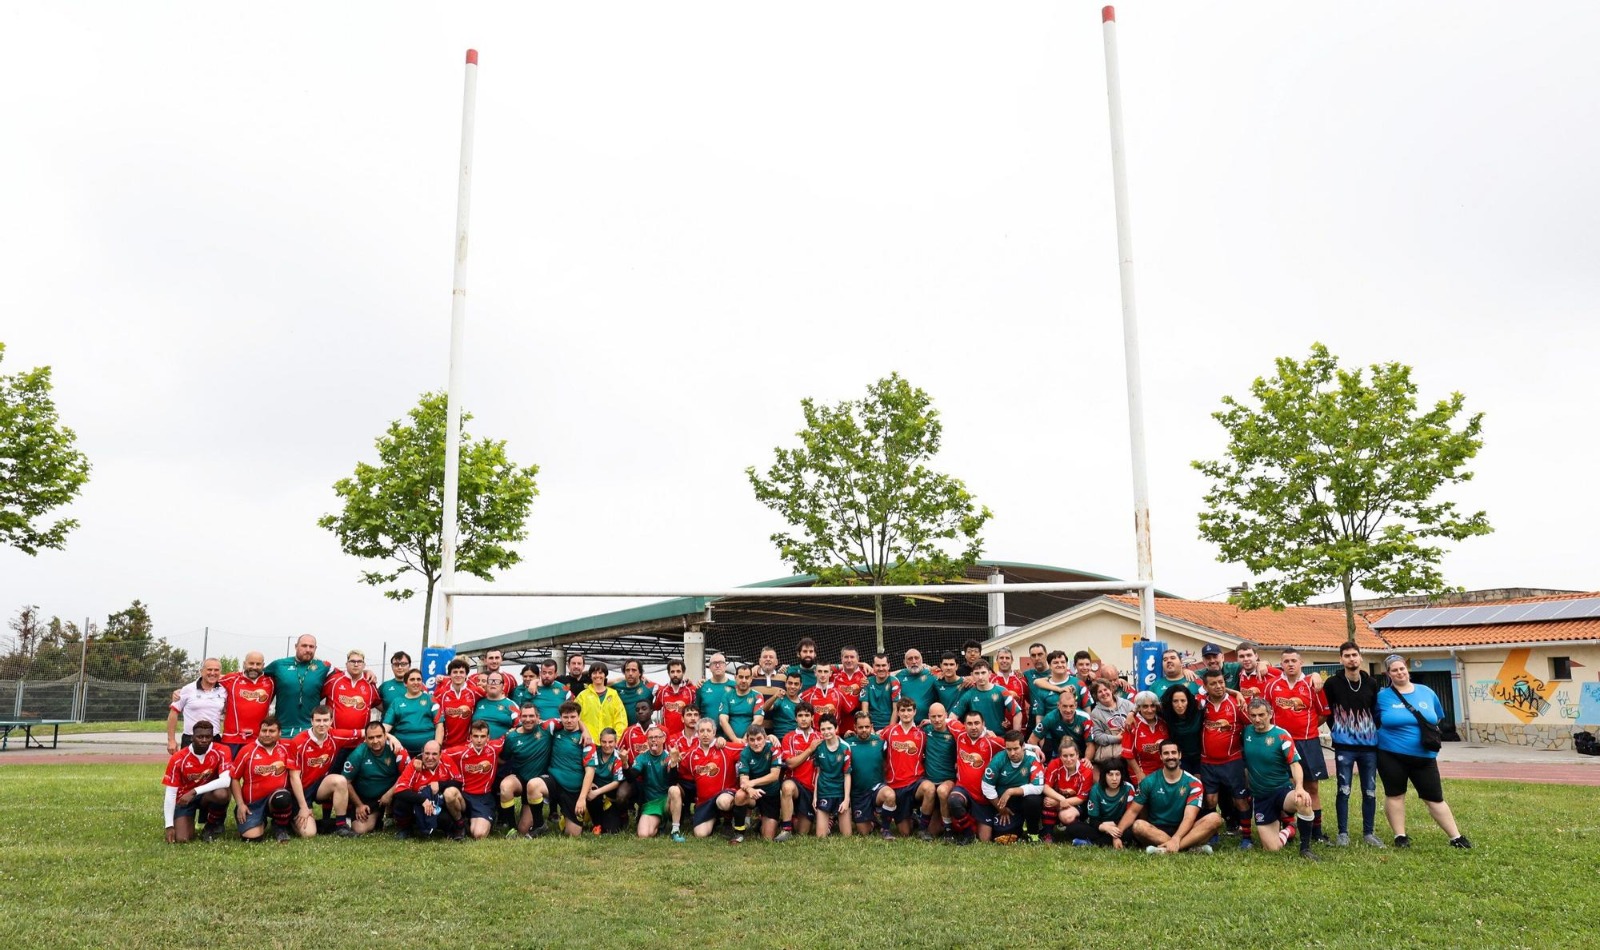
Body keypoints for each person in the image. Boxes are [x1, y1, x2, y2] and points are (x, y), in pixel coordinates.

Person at [1376, 654, 1471, 849]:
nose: (1399, 673)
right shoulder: (1382, 697)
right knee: (1395, 794)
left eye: (1402, 668)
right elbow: (1375, 720)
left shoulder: (1426, 692)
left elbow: (1437, 718)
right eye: (1394, 670)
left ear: (1407, 669)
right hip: (1390, 754)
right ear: (1388, 674)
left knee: (1434, 797)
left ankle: (1456, 837)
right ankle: (1400, 836)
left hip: (1425, 756)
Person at [1264, 648, 1331, 842]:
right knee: (1283, 786)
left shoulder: (1312, 684)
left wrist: (1307, 728)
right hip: (1280, 744)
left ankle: (1316, 833)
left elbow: (1323, 713)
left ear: (1301, 662)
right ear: (1281, 664)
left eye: (1294, 660)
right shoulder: (1271, 686)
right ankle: (1289, 827)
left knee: (1312, 788)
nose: (1290, 664)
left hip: (1308, 742)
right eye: (1286, 661)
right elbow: (1265, 713)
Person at [1325, 640, 1384, 847]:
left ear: (1361, 657)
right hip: (1344, 747)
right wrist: (1340, 729)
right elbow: (1328, 711)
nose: (1351, 659)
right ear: (1341, 659)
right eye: (1347, 656)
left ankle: (1369, 833)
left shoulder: (1371, 683)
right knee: (1344, 790)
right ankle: (1343, 833)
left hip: (1369, 747)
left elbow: (1376, 711)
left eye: (1354, 655)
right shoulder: (1332, 683)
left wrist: (1368, 730)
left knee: (1370, 791)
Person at [1241, 698, 1317, 859]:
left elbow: (1295, 764)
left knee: (1303, 800)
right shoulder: (1246, 732)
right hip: (1261, 797)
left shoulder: (1281, 735)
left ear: (1270, 714)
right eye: (1253, 715)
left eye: (1261, 715)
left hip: (1281, 791)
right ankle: (1290, 829)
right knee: (1272, 848)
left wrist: (1299, 787)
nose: (1257, 719)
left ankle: (1305, 849)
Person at [1121, 739, 1221, 854]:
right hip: (1157, 830)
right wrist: (1117, 835)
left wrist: (1176, 838)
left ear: (1180, 755)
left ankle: (1167, 849)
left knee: (1215, 818)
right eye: (1166, 753)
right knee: (1138, 825)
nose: (1170, 756)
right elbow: (1133, 811)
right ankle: (1186, 848)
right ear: (1161, 757)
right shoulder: (1148, 781)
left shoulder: (1194, 783)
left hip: (1184, 829)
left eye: (1173, 753)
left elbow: (1189, 817)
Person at [1196, 668, 1253, 847]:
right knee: (1210, 800)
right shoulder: (1201, 704)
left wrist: (1236, 693)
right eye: (1213, 684)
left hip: (1232, 761)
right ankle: (1212, 834)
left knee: (1240, 800)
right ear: (1206, 686)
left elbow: (1253, 724)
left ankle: (1247, 837)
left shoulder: (1237, 704)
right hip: (1207, 762)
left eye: (1221, 682)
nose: (1218, 686)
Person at [286, 704, 358, 837]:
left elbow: (364, 733)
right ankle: (291, 820)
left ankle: (341, 825)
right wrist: (303, 807)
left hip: (319, 786)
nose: (322, 724)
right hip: (300, 790)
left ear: (331, 721)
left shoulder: (335, 736)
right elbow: (294, 777)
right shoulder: (298, 742)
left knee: (340, 780)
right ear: (312, 721)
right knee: (309, 833)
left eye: (325, 720)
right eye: (318, 720)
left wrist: (390, 737)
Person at [161, 720, 232, 843]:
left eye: (208, 737)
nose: (204, 740)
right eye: (200, 737)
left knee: (222, 793)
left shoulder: (222, 750)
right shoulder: (178, 758)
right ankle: (188, 821)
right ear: (192, 737)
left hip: (206, 795)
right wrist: (169, 825)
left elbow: (225, 781)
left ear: (212, 737)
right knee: (182, 839)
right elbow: (171, 792)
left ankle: (211, 826)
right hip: (185, 799)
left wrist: (194, 791)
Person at [230, 715, 296, 842]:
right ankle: (259, 821)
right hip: (252, 805)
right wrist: (240, 804)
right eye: (264, 730)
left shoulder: (286, 748)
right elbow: (234, 778)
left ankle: (280, 827)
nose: (267, 734)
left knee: (283, 797)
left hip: (276, 799)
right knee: (252, 839)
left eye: (272, 731)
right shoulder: (246, 750)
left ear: (279, 733)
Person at [498, 703, 557, 838]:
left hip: (537, 784)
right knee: (505, 786)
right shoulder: (512, 737)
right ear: (520, 717)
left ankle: (539, 823)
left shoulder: (546, 729)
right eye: (524, 716)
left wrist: (585, 731)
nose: (528, 719)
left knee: (524, 829)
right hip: (520, 780)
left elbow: (571, 719)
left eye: (531, 716)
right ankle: (511, 828)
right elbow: (503, 759)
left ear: (538, 717)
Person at [947, 710, 1005, 844]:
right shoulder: (960, 735)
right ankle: (968, 835)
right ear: (964, 725)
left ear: (983, 724)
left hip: (983, 798)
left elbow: (1016, 745)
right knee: (954, 800)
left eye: (977, 723)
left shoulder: (992, 742)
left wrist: (1034, 749)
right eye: (970, 724)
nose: (973, 727)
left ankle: (973, 823)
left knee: (985, 839)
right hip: (963, 790)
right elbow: (947, 721)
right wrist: (929, 721)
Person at [389, 740, 464, 839]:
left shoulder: (446, 760)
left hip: (437, 805)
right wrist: (422, 800)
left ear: (440, 755)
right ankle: (405, 828)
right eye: (427, 753)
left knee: (445, 819)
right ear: (422, 754)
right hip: (419, 805)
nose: (430, 757)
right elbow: (400, 790)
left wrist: (440, 784)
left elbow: (458, 782)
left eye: (434, 754)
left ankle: (453, 827)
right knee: (400, 802)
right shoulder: (414, 764)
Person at [343, 721, 408, 835]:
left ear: (385, 736)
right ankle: (378, 815)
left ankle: (395, 818)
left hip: (392, 794)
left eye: (379, 736)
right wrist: (359, 805)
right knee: (359, 829)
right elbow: (346, 782)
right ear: (366, 739)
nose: (375, 741)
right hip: (367, 799)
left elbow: (407, 775)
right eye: (371, 738)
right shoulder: (358, 754)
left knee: (405, 794)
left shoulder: (396, 749)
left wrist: (390, 794)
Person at [980, 730, 1046, 843]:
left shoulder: (1033, 758)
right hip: (1004, 803)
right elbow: (986, 786)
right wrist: (1000, 808)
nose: (1012, 753)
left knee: (1033, 801)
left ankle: (1033, 833)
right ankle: (1017, 826)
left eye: (1016, 749)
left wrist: (1011, 791)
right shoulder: (998, 760)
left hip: (1025, 799)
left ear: (1023, 747)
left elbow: (1038, 787)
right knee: (1003, 837)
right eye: (1009, 749)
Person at [880, 698, 933, 838]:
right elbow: (872, 739)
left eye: (909, 710)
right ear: (897, 712)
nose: (906, 713)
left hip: (915, 783)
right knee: (905, 832)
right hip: (896, 786)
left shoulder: (922, 734)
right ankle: (912, 817)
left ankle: (923, 829)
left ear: (915, 712)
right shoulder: (889, 731)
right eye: (902, 710)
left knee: (929, 788)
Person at [444, 720, 506, 839]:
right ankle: (460, 823)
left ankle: (473, 821)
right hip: (464, 797)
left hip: (483, 798)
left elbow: (507, 736)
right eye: (476, 736)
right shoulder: (461, 751)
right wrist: (419, 759)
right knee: (449, 793)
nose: (479, 740)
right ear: (470, 737)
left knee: (478, 834)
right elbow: (438, 754)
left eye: (482, 736)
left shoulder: (494, 748)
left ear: (488, 738)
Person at [264, 635, 336, 737]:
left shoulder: (323, 666)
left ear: (315, 648)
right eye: (304, 646)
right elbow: (256, 675)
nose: (308, 650)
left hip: (312, 729)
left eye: (311, 647)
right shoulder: (279, 665)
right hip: (283, 728)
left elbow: (346, 675)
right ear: (296, 646)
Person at [682, 716, 741, 839]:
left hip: (725, 795)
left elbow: (749, 748)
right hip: (704, 802)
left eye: (709, 731)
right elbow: (679, 771)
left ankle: (728, 821)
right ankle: (715, 819)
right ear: (697, 734)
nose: (705, 734)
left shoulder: (726, 748)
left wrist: (769, 739)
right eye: (702, 731)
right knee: (700, 834)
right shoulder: (691, 755)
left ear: (714, 733)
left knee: (723, 802)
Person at [547, 701, 596, 837]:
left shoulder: (587, 741)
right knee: (534, 786)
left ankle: (567, 815)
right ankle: (539, 824)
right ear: (560, 718)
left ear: (579, 717)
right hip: (553, 781)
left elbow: (590, 771)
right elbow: (534, 722)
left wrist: (582, 798)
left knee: (573, 834)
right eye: (566, 717)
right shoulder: (554, 730)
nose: (569, 720)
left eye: (573, 717)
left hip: (572, 789)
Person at [844, 711, 894, 838]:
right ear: (855, 727)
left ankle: (885, 829)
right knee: (864, 832)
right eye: (860, 727)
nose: (864, 730)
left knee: (890, 795)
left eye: (867, 726)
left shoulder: (880, 741)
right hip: (858, 794)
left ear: (871, 726)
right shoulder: (847, 743)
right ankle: (874, 819)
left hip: (877, 789)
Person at [775, 703, 821, 841]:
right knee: (787, 787)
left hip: (812, 788)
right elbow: (790, 764)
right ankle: (786, 829)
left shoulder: (820, 737)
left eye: (807, 715)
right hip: (795, 784)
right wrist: (810, 750)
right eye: (800, 715)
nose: (803, 719)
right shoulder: (789, 737)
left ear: (812, 717)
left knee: (802, 832)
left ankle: (794, 815)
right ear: (795, 718)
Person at [218, 651, 274, 758]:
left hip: (259, 739)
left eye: (258, 664)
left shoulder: (271, 682)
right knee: (230, 768)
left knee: (255, 768)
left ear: (263, 665)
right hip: (232, 739)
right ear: (244, 664)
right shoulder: (231, 679)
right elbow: (208, 680)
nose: (254, 667)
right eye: (251, 663)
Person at [322, 651, 380, 750]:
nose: (356, 664)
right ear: (346, 664)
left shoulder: (370, 684)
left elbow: (380, 705)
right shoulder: (334, 680)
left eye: (359, 662)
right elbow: (315, 698)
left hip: (360, 742)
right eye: (352, 661)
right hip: (335, 741)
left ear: (364, 665)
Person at [1041, 738, 1095, 843]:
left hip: (1075, 804)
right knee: (1047, 801)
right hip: (1057, 799)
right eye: (1065, 756)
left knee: (1067, 817)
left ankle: (1076, 833)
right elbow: (1046, 787)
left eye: (1072, 755)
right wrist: (1061, 799)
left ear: (1077, 755)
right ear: (1060, 756)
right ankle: (1048, 833)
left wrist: (1058, 802)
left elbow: (1081, 798)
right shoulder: (1054, 764)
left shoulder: (1086, 771)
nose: (1069, 759)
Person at [168, 658, 226, 755]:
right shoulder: (188, 689)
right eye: (209, 669)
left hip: (214, 739)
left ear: (220, 672)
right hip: (190, 739)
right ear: (201, 671)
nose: (212, 673)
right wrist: (171, 740)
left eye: (216, 670)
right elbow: (173, 713)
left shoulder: (224, 690)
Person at [734, 725, 784, 840]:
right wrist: (750, 789)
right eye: (752, 740)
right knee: (740, 795)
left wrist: (752, 783)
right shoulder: (745, 753)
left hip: (771, 794)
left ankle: (761, 821)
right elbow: (743, 780)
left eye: (759, 739)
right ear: (748, 740)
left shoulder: (774, 749)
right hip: (754, 794)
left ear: (765, 738)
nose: (756, 743)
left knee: (768, 837)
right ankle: (739, 832)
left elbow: (774, 776)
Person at [577, 727, 629, 835]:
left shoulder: (618, 757)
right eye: (604, 742)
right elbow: (584, 769)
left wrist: (597, 792)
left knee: (611, 830)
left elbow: (616, 782)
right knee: (589, 790)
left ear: (615, 742)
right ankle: (596, 823)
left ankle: (621, 816)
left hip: (610, 796)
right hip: (594, 792)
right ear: (600, 741)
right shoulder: (594, 752)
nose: (607, 745)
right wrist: (590, 784)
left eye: (610, 742)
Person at [809, 715, 854, 838]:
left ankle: (834, 818)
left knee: (847, 835)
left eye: (829, 728)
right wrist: (815, 796)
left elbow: (847, 775)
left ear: (836, 728)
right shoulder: (819, 747)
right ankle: (829, 819)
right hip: (824, 790)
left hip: (840, 791)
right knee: (821, 836)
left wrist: (846, 799)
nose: (826, 732)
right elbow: (818, 773)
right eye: (823, 729)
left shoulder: (845, 747)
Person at [951, 661, 1023, 735]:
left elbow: (1018, 713)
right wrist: (964, 733)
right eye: (977, 673)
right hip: (978, 738)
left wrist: (1015, 737)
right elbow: (952, 717)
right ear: (972, 675)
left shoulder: (1002, 691)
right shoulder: (969, 694)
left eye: (983, 673)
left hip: (998, 738)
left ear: (990, 673)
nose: (980, 677)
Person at [630, 726, 677, 839]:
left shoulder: (670, 756)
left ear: (663, 739)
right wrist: (625, 765)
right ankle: (660, 823)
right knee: (643, 834)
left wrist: (674, 764)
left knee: (675, 790)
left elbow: (673, 781)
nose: (653, 740)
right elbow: (631, 777)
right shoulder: (642, 757)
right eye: (650, 738)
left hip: (667, 800)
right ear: (647, 740)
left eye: (657, 737)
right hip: (652, 803)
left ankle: (676, 829)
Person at [383, 668, 443, 756]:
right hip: (402, 752)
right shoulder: (397, 702)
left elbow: (439, 726)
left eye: (419, 679)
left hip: (427, 754)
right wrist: (390, 737)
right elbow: (384, 728)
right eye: (412, 679)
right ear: (405, 683)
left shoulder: (431, 699)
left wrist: (437, 749)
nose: (416, 682)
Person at [1080, 757, 1133, 848]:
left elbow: (1129, 817)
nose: (1114, 778)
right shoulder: (1096, 789)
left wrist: (1114, 830)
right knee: (1073, 828)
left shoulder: (1128, 788)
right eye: (1110, 775)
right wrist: (1105, 828)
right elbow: (1093, 820)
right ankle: (1106, 841)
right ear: (1104, 775)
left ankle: (1091, 843)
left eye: (1117, 774)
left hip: (1120, 825)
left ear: (1122, 775)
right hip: (1101, 825)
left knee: (1129, 833)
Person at [1120, 691, 1169, 785]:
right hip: (1142, 772)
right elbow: (1127, 754)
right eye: (1145, 706)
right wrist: (1139, 773)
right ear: (1139, 708)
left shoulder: (1163, 722)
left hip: (1164, 771)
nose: (1150, 710)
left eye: (1152, 706)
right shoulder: (1132, 724)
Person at [1030, 691, 1092, 763]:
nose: (1068, 710)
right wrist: (1039, 759)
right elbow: (1032, 740)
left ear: (1076, 705)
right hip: (1059, 757)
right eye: (1064, 706)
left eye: (1071, 706)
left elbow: (1090, 744)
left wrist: (1086, 759)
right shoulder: (1050, 718)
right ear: (1058, 705)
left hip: (1081, 756)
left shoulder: (1085, 718)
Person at [1086, 678, 1135, 768]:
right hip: (1113, 758)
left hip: (1132, 749)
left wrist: (1132, 714)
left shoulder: (1126, 704)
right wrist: (1116, 738)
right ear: (1096, 696)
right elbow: (1097, 737)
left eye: (1105, 689)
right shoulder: (1095, 713)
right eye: (1100, 692)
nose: (1104, 693)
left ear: (1111, 690)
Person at [433, 658, 480, 750]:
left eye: (461, 672)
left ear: (466, 675)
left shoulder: (475, 692)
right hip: (446, 745)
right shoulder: (441, 694)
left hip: (467, 745)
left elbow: (490, 696)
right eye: (455, 672)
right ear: (449, 675)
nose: (458, 675)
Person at [576, 662, 629, 742]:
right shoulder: (582, 696)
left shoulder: (613, 695)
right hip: (588, 742)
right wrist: (584, 732)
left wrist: (616, 740)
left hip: (609, 743)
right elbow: (575, 717)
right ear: (590, 676)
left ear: (605, 675)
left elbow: (621, 720)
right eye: (594, 673)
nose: (597, 675)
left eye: (600, 673)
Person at [1159, 683, 1204, 776]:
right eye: (1175, 701)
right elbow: (1145, 704)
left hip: (1200, 756)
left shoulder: (1198, 711)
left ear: (1188, 701)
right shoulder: (1166, 714)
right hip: (1180, 758)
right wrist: (1132, 712)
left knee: (1197, 781)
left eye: (1183, 701)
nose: (1179, 705)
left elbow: (1214, 693)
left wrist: (1235, 693)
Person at [718, 664, 766, 741]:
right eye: (741, 677)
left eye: (747, 677)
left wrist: (746, 738)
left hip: (751, 742)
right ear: (735, 677)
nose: (744, 680)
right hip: (729, 742)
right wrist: (735, 739)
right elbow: (722, 720)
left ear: (751, 679)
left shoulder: (758, 696)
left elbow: (758, 720)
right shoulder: (727, 696)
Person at [654, 659, 698, 737]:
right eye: (672, 672)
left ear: (683, 672)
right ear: (668, 673)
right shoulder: (662, 691)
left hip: (686, 737)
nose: (675, 674)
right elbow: (654, 707)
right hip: (668, 737)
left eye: (678, 671)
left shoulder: (691, 690)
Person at [472, 672, 520, 739]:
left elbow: (521, 725)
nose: (493, 683)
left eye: (497, 681)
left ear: (503, 686)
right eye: (490, 681)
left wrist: (512, 733)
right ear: (486, 684)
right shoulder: (478, 702)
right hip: (479, 744)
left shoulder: (512, 705)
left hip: (503, 744)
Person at [894, 648, 938, 720]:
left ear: (922, 660)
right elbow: (883, 674)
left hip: (927, 723)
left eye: (916, 658)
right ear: (904, 662)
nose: (914, 662)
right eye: (910, 659)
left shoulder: (932, 675)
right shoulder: (898, 677)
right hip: (905, 722)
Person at [860, 653, 901, 730]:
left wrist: (889, 730)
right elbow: (865, 709)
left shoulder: (894, 682)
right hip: (870, 725)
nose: (881, 668)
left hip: (889, 724)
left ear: (888, 666)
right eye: (878, 665)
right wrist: (870, 730)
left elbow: (896, 709)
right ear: (873, 666)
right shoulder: (866, 682)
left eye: (883, 665)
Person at [613, 660, 656, 728]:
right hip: (622, 730)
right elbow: (600, 683)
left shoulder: (648, 687)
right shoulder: (617, 686)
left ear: (640, 673)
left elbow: (666, 690)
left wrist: (650, 681)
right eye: (627, 670)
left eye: (634, 670)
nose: (630, 673)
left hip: (642, 730)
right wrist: (619, 679)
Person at [696, 653, 737, 718]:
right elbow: (696, 712)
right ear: (710, 667)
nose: (717, 665)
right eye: (714, 663)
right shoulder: (702, 686)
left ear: (725, 666)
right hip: (707, 724)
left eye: (720, 662)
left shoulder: (735, 686)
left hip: (729, 725)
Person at [834, 646, 867, 724]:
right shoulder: (833, 676)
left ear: (857, 658)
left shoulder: (866, 673)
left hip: (860, 725)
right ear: (841, 659)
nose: (849, 660)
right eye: (846, 657)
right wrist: (862, 664)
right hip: (839, 724)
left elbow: (884, 674)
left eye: (852, 657)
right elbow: (822, 667)